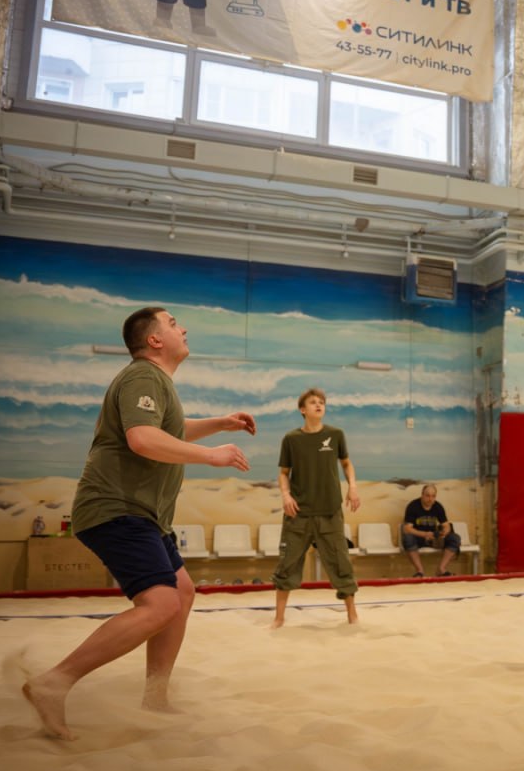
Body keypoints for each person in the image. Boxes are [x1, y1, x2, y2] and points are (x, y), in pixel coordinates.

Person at [22, 307, 255, 739]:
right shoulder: (143, 376)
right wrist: (212, 455)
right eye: (173, 323)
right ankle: (53, 683)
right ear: (154, 340)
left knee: (181, 593)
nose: (183, 328)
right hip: (117, 508)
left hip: (145, 515)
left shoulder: (157, 383)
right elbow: (143, 438)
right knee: (161, 604)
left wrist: (220, 424)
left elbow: (169, 429)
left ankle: (155, 697)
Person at [270, 387, 361, 628]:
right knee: (287, 564)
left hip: (330, 512)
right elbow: (283, 473)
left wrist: (352, 486)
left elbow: (347, 464)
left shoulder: (336, 434)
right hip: (298, 513)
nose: (319, 405)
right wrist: (285, 495)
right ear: (303, 409)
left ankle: (352, 615)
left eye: (321, 402)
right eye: (313, 402)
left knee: (341, 564)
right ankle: (279, 618)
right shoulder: (291, 439)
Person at [401, 484, 461, 577]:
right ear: (422, 495)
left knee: (455, 538)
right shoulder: (413, 506)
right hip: (418, 538)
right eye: (427, 496)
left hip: (434, 538)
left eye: (433, 496)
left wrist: (444, 532)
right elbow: (407, 529)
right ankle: (420, 571)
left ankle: (441, 569)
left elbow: (446, 525)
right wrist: (424, 534)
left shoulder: (438, 506)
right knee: (408, 538)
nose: (430, 499)